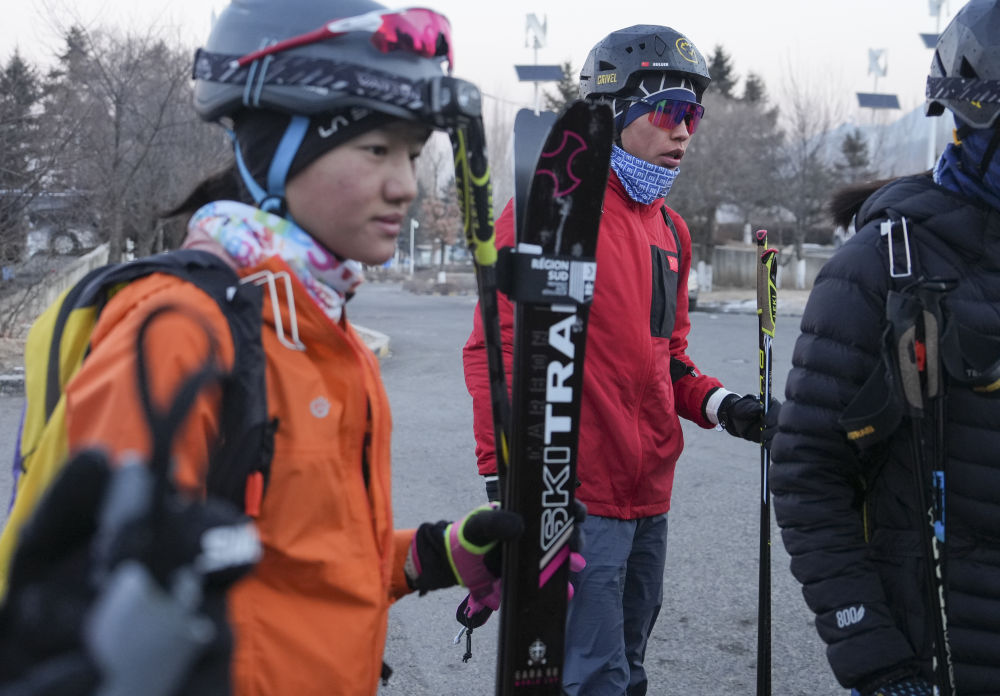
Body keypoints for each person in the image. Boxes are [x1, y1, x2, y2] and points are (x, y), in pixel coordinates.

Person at [0, 1, 524, 695]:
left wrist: (435, 556)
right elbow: (116, 618)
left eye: (413, 153)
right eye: (376, 149)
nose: (403, 183)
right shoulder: (179, 329)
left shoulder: (319, 325)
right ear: (276, 151)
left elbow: (294, 567)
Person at [463, 24, 776, 696]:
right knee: (590, 676)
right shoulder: (553, 210)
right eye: (670, 111)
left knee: (628, 666)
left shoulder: (670, 230)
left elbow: (670, 357)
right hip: (575, 496)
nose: (685, 132)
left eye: (694, 114)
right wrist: (505, 479)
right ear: (612, 112)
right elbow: (496, 350)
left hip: (648, 498)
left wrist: (728, 407)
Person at [769, 1, 1000, 694]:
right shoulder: (878, 268)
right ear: (978, 118)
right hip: (941, 658)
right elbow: (809, 472)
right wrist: (877, 661)